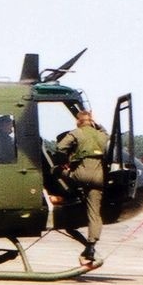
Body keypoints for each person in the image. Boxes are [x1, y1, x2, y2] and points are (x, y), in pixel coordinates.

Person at [56, 109, 109, 266]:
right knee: (94, 213)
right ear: (91, 121)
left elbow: (60, 148)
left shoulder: (76, 133)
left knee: (57, 172)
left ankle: (63, 200)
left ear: (78, 121)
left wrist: (64, 162)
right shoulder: (102, 135)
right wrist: (96, 124)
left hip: (79, 175)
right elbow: (106, 132)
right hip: (99, 178)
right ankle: (91, 246)